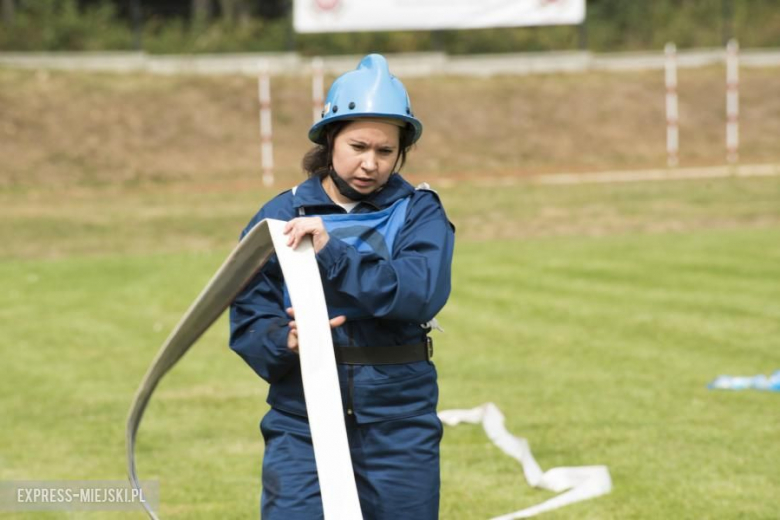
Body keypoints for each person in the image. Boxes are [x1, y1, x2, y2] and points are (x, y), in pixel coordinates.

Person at [229, 54, 455, 520]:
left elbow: (416, 294)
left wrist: (331, 250)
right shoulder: (280, 214)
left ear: (401, 153)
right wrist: (282, 341)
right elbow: (249, 315)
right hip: (301, 418)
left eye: (385, 151)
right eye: (358, 146)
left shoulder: (419, 212)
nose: (370, 164)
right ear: (330, 139)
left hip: (399, 420)